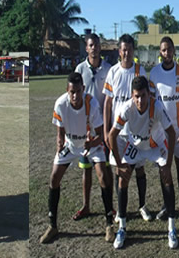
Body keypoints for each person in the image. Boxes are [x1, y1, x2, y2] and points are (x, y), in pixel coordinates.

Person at [39, 73, 113, 244]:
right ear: (67, 90)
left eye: (78, 91)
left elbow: (101, 135)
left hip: (91, 145)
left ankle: (109, 225)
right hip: (71, 145)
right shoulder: (60, 104)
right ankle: (52, 226)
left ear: (83, 90)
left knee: (102, 175)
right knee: (54, 177)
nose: (75, 96)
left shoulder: (91, 104)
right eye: (72, 92)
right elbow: (60, 133)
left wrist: (91, 143)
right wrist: (60, 146)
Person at [107, 76, 177, 249]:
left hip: (155, 144)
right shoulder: (127, 108)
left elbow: (172, 134)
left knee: (167, 178)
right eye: (136, 96)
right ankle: (122, 227)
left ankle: (171, 227)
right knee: (123, 179)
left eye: (143, 96)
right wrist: (119, 163)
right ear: (132, 95)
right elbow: (111, 135)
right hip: (136, 145)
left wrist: (167, 164)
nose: (140, 100)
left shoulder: (157, 107)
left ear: (149, 94)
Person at [103, 34, 153, 223]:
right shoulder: (113, 72)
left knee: (139, 170)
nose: (126, 53)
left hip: (136, 132)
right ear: (119, 51)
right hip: (118, 133)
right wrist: (107, 130)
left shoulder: (139, 71)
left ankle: (142, 206)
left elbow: (146, 100)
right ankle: (120, 209)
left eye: (129, 49)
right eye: (123, 49)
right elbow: (108, 102)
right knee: (119, 171)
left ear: (133, 50)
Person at [149, 36, 179, 222]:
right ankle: (167, 206)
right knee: (163, 167)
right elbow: (151, 102)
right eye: (164, 50)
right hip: (161, 131)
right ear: (161, 52)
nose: (167, 53)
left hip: (178, 128)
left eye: (169, 49)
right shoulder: (154, 73)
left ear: (174, 50)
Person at [72, 33, 112, 221]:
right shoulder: (80, 69)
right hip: (84, 127)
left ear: (100, 47)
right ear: (86, 48)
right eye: (90, 45)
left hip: (103, 125)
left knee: (106, 168)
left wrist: (107, 126)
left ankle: (110, 207)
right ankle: (86, 205)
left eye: (96, 45)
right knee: (86, 167)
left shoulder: (108, 69)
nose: (94, 48)